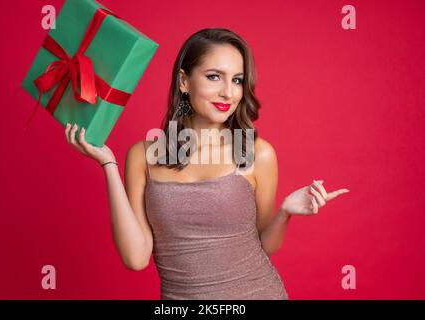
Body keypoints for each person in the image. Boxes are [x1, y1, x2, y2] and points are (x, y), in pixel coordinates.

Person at [63, 28, 350, 300]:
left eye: (237, 80)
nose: (229, 92)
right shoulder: (143, 156)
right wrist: (107, 164)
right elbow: (136, 258)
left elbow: (264, 246)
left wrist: (285, 212)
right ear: (184, 81)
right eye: (214, 77)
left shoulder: (258, 153)